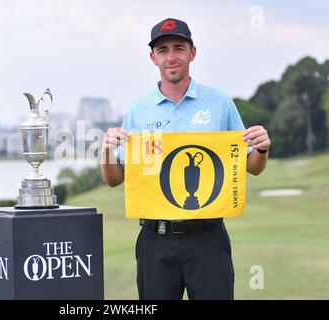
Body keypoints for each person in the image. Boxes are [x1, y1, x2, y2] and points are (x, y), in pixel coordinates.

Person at [100, 18, 271, 300]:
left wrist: (262, 149)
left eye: (179, 48)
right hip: (156, 238)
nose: (171, 57)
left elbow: (252, 167)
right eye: (163, 50)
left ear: (192, 53)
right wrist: (106, 151)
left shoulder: (220, 103)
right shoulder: (138, 111)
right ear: (152, 57)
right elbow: (114, 179)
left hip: (208, 236)